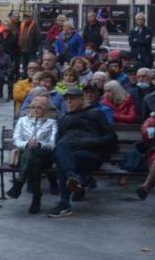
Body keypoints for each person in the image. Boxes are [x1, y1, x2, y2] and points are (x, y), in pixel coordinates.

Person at [48, 86, 116, 217]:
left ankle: (64, 203)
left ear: (82, 99)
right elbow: (56, 141)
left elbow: (111, 138)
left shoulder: (95, 114)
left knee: (63, 156)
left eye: (72, 99)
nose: (68, 102)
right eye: (66, 99)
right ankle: (72, 178)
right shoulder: (63, 119)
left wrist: (82, 143)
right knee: (62, 150)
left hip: (90, 155)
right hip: (70, 156)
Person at [7, 95, 58, 214]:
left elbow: (52, 143)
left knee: (33, 154)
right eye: (33, 107)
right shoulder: (22, 120)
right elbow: (16, 139)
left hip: (45, 156)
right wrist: (26, 144)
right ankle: (36, 199)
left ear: (45, 110)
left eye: (39, 107)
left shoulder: (52, 122)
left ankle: (19, 183)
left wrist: (39, 144)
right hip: (26, 155)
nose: (35, 110)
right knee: (32, 158)